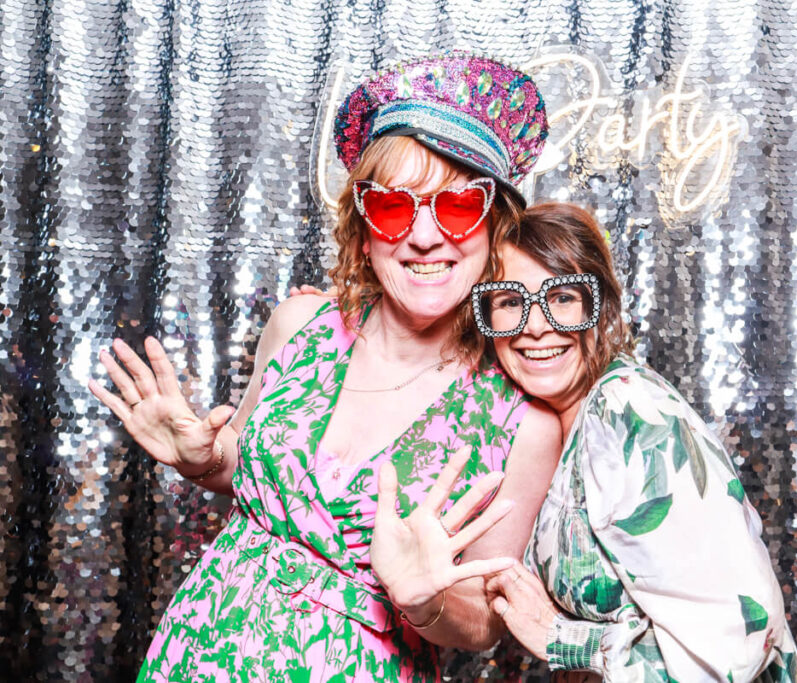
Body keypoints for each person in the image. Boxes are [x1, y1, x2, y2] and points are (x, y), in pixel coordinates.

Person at [87, 53, 562, 682]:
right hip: (198, 650)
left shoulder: (521, 421)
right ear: (365, 229)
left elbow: (482, 620)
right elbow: (244, 470)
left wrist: (425, 600)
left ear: (494, 228)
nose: (423, 236)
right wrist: (201, 459)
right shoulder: (301, 325)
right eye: (394, 207)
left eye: (455, 207)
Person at [474, 202, 797, 682]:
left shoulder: (627, 408)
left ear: (600, 307)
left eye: (563, 297)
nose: (536, 325)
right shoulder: (552, 423)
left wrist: (561, 638)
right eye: (510, 301)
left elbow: (741, 636)